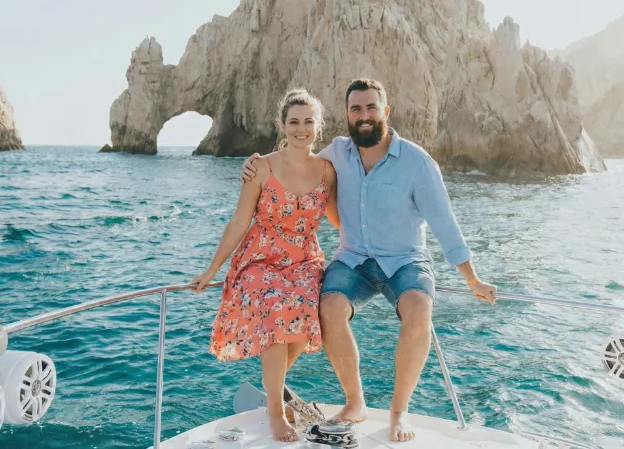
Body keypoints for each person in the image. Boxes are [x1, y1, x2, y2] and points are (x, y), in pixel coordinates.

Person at [241, 78, 496, 442]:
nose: (364, 115)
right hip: (355, 259)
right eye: (356, 109)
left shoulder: (417, 163)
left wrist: (471, 279)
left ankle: (398, 411)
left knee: (418, 309)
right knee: (328, 307)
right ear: (346, 115)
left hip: (404, 259)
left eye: (371, 108)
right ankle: (355, 402)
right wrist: (255, 165)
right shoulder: (338, 152)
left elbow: (445, 224)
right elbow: (297, 158)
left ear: (385, 112)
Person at [193, 89, 338, 442]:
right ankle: (276, 410)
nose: (300, 129)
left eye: (308, 122)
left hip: (304, 259)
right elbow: (239, 222)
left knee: (306, 314)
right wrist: (212, 269)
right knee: (275, 310)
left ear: (317, 127)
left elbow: (339, 220)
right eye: (294, 122)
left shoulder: (328, 172)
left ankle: (272, 386)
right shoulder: (260, 167)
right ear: (282, 125)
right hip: (259, 258)